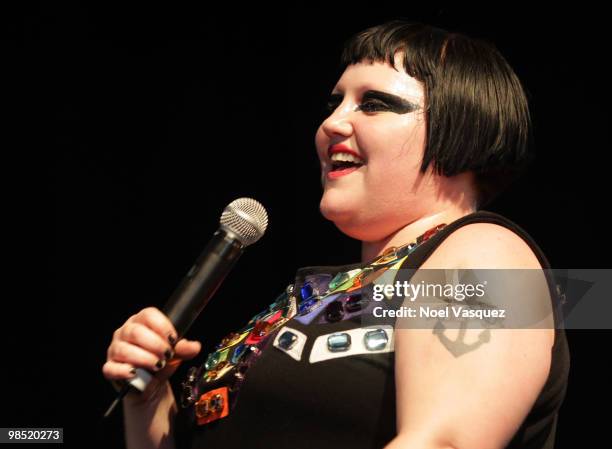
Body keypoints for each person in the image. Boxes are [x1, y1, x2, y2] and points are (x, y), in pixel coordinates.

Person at [102, 20, 570, 449]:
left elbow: (443, 443)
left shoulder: (490, 254)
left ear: (464, 126)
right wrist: (149, 397)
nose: (331, 123)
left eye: (373, 104)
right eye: (335, 103)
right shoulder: (317, 291)